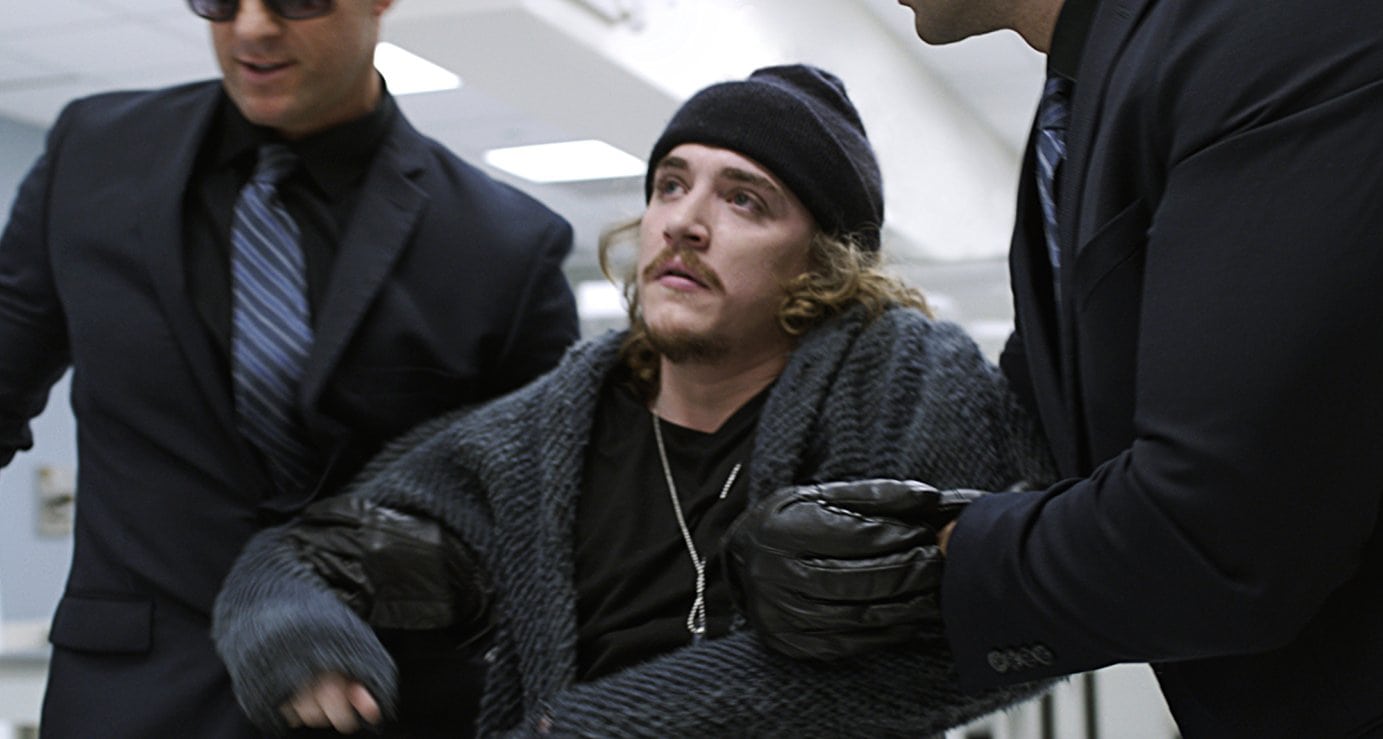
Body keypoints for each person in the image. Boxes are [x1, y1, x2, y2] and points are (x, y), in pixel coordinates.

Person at [211, 64, 1057, 737]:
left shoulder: (903, 384)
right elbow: (306, 555)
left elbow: (982, 625)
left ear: (823, 261)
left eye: (743, 200)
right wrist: (299, 635)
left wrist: (594, 725)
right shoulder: (544, 431)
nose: (683, 222)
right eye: (670, 184)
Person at [724, 1, 1383, 737]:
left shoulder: (1271, 29)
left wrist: (918, 568)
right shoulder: (1073, 106)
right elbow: (1040, 427)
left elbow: (1223, 533)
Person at [0, 0, 579, 735]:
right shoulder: (96, 153)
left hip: (377, 701)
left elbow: (524, 524)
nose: (251, 28)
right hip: (131, 698)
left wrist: (331, 589)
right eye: (221, 0)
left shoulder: (502, 244)